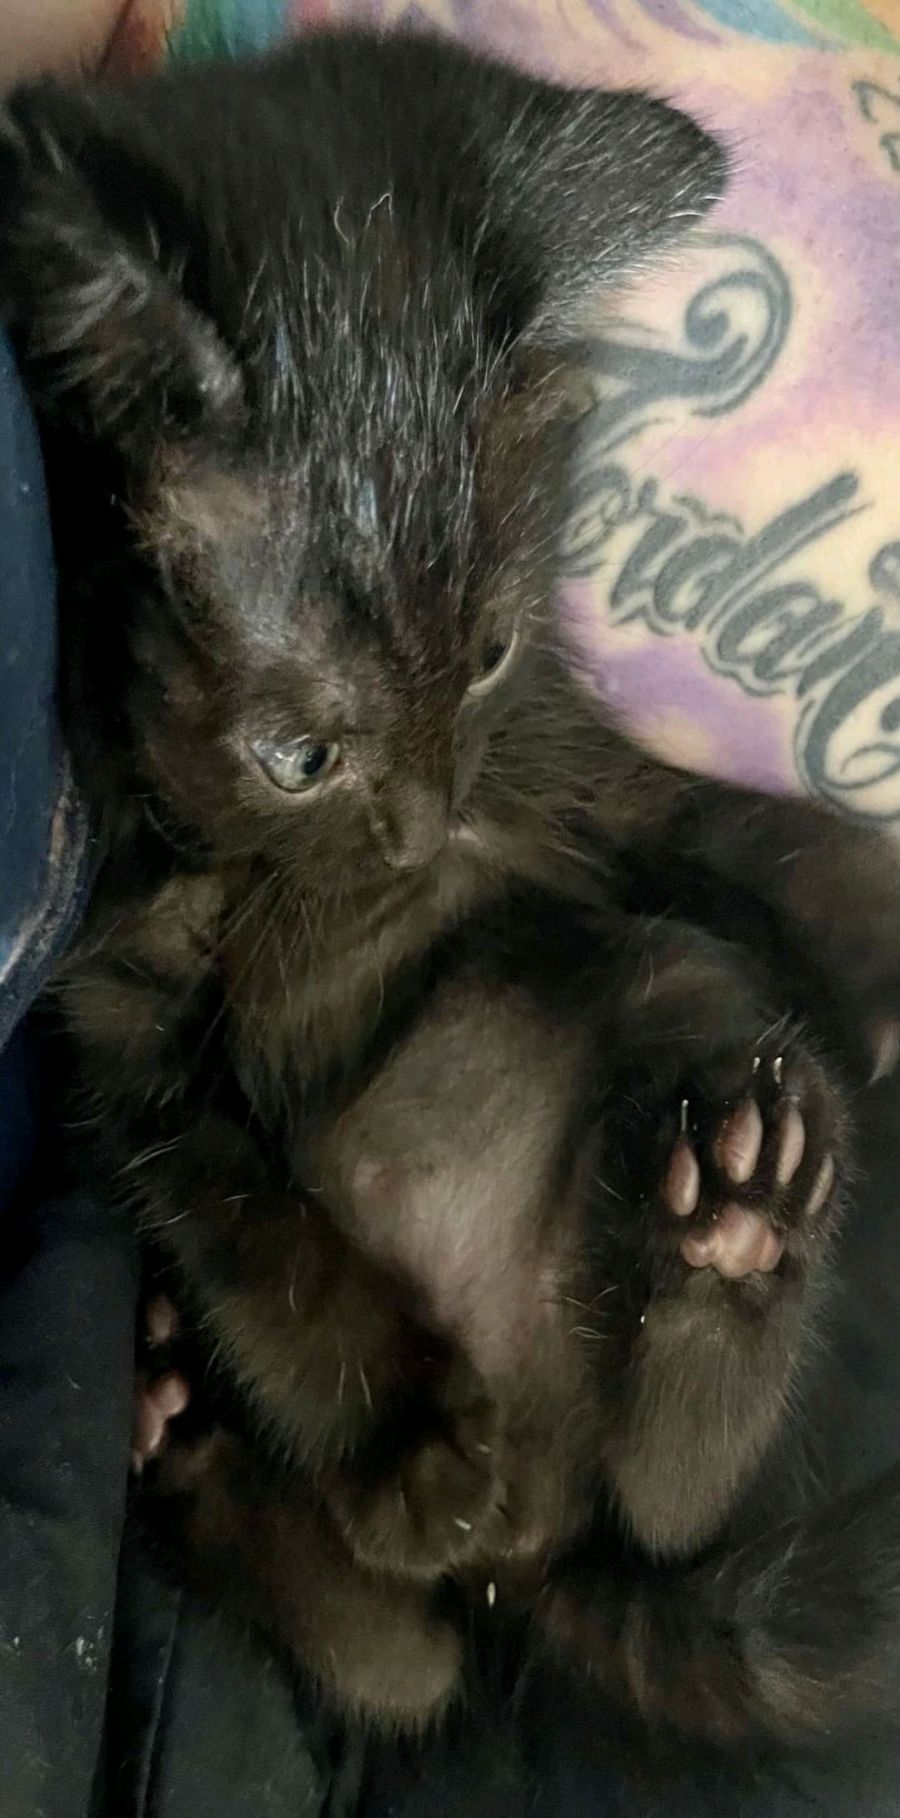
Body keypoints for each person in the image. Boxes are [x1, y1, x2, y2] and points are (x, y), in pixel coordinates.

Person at [2, 1, 900, 1813]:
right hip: (384, 1306)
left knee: (705, 1049)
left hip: (572, 1285)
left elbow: (677, 831)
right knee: (393, 1651)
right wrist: (346, 1376)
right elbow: (157, 1101)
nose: (418, 817)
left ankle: (703, 1299)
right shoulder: (141, 684)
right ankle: (694, 1292)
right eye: (316, 754)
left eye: (482, 656)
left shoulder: (460, 703)